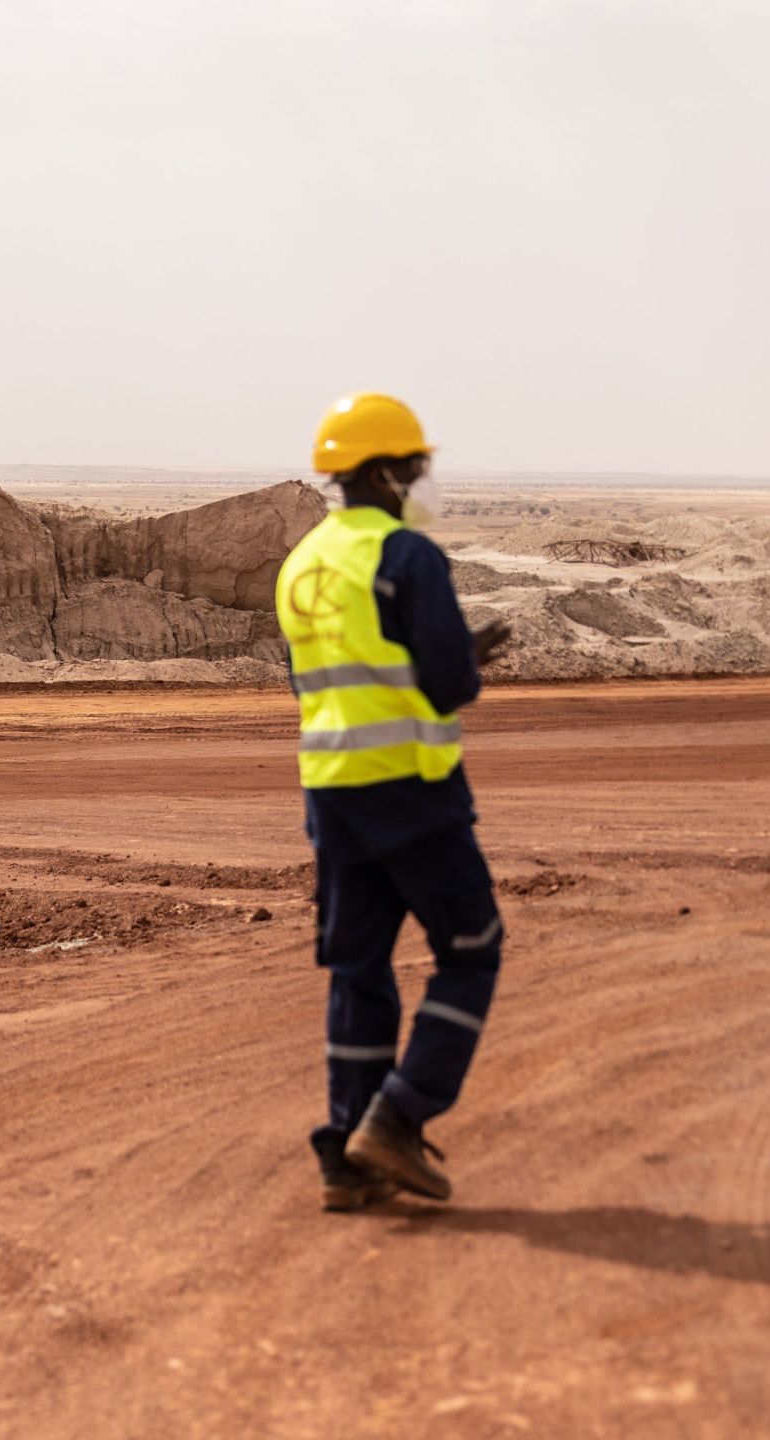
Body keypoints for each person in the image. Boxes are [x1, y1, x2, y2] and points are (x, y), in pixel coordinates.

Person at [275, 393, 511, 1210]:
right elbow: (445, 684)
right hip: (411, 792)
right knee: (472, 949)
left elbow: (344, 676)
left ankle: (345, 1156)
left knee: (358, 967)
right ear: (383, 470)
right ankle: (399, 1117)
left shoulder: (301, 563)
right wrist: (467, 659)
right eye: (415, 466)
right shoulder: (406, 557)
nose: (422, 479)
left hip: (332, 796)